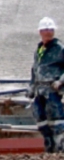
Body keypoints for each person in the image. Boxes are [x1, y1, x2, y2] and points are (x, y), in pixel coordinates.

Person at [32, 17, 64, 153]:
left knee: (56, 120)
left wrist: (61, 81)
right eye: (45, 30)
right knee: (41, 119)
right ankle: (49, 148)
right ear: (40, 31)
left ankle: (60, 150)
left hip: (52, 89)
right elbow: (35, 69)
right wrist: (31, 87)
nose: (48, 32)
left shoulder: (59, 48)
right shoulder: (39, 50)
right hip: (40, 90)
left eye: (50, 29)